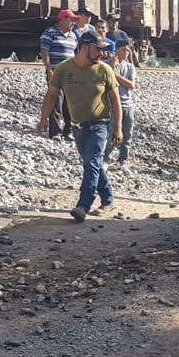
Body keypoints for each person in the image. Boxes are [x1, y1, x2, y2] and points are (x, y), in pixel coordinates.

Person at [37, 32, 123, 221]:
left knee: (91, 162)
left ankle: (83, 205)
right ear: (85, 48)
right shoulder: (63, 69)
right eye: (98, 49)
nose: (101, 54)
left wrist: (118, 127)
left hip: (100, 124)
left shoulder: (104, 70)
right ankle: (108, 199)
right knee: (94, 163)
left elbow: (115, 101)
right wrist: (43, 119)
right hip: (78, 127)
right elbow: (51, 95)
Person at [39, 9, 78, 140]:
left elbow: (76, 54)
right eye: (71, 20)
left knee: (70, 101)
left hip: (70, 72)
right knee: (56, 100)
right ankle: (55, 132)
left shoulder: (73, 36)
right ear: (63, 19)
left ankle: (68, 131)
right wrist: (49, 69)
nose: (73, 23)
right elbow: (44, 51)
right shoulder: (50, 32)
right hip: (56, 71)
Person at [103, 39, 136, 171]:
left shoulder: (130, 67)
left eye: (128, 50)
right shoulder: (107, 64)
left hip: (127, 104)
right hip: (112, 104)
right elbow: (107, 81)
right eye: (123, 50)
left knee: (127, 134)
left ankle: (123, 160)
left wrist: (115, 74)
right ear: (116, 50)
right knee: (111, 133)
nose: (126, 52)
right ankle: (106, 159)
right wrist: (112, 68)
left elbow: (131, 85)